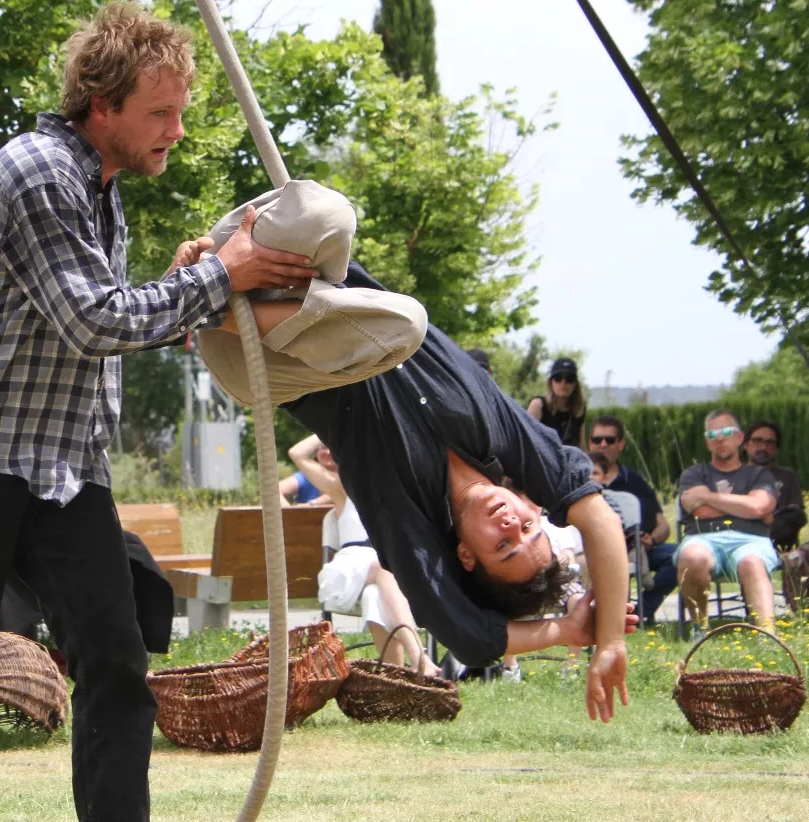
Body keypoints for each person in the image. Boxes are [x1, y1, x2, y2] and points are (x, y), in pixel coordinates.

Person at [0, 2, 322, 822]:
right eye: (162, 112)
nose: (178, 130)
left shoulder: (99, 189)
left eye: (181, 110)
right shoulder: (38, 174)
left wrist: (191, 285)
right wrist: (218, 276)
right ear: (101, 105)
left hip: (58, 467)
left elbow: (97, 317)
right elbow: (94, 321)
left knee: (116, 662)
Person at [197, 203, 634, 721]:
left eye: (503, 546)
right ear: (535, 508)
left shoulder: (409, 522)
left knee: (407, 321)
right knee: (328, 214)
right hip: (282, 280)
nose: (511, 525)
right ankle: (202, 279)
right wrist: (610, 640)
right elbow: (600, 516)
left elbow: (469, 637)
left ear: (468, 556)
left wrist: (569, 632)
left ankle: (194, 303)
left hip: (252, 355)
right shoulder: (508, 441)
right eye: (530, 529)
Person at [289, 434, 440, 676]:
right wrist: (327, 429)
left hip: (382, 571)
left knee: (374, 596)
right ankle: (418, 656)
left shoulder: (401, 498)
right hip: (347, 568)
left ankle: (395, 677)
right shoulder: (342, 490)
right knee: (382, 569)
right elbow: (297, 453)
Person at [675, 410, 780, 633]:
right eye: (712, 434)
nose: (720, 438)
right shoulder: (693, 474)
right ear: (707, 442)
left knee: (752, 562)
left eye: (726, 432)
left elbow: (760, 506)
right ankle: (699, 630)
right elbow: (700, 512)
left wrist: (707, 496)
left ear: (740, 437)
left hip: (750, 540)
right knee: (692, 557)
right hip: (702, 538)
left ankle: (768, 636)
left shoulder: (759, 474)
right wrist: (745, 506)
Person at [586, 416, 677, 623]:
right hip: (595, 547)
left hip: (639, 546)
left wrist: (651, 540)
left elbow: (663, 525)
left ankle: (639, 612)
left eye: (609, 439)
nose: (602, 444)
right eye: (597, 439)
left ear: (621, 444)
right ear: (589, 442)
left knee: (679, 556)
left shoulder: (634, 482)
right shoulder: (578, 480)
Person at [743, 421, 808, 549]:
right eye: (757, 441)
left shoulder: (787, 476)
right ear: (745, 445)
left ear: (777, 449)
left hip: (779, 541)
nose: (763, 447)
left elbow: (795, 515)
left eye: (770, 443)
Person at [527, 358, 586, 447]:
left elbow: (581, 445)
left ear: (575, 384)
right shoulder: (538, 405)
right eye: (558, 378)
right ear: (551, 382)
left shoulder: (578, 409)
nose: (563, 383)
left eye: (569, 379)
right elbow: (526, 441)